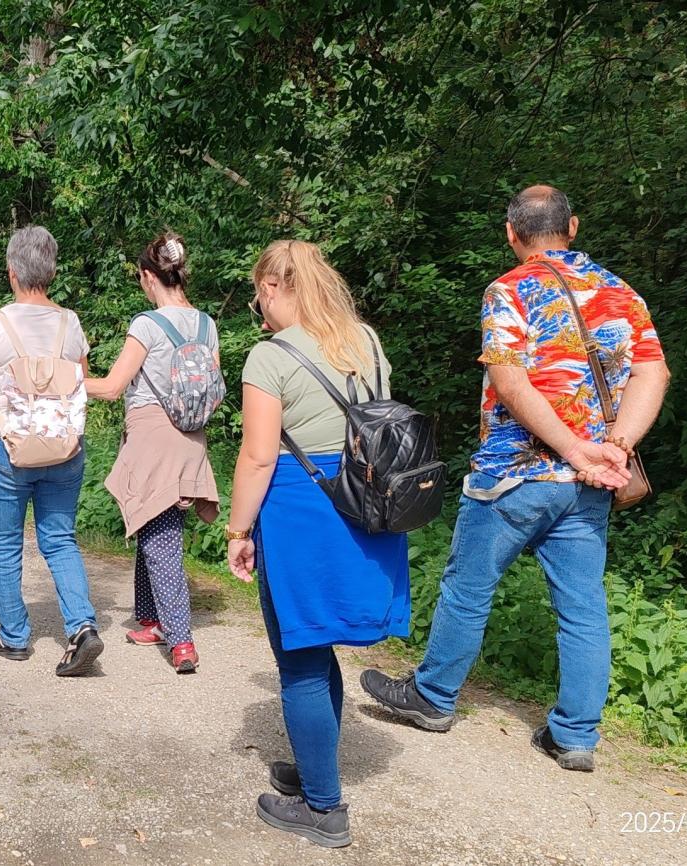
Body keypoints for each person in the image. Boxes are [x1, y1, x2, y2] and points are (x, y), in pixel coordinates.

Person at [361, 185, 669, 773]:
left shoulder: (509, 291)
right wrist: (615, 448)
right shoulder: (621, 292)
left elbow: (509, 382)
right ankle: (575, 736)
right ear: (572, 227)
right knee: (583, 607)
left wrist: (575, 449)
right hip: (589, 485)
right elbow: (653, 372)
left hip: (514, 475)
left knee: (468, 588)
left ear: (511, 233)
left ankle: (433, 697)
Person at [223, 239, 409, 848]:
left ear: (273, 288)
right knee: (319, 647)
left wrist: (238, 530)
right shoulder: (365, 341)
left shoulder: (269, 357)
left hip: (303, 509)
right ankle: (314, 768)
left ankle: (324, 808)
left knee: (300, 656)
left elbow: (257, 457)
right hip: (364, 501)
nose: (260, 310)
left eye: (259, 298)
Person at [0, 225, 103, 677]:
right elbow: (82, 382)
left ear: (12, 271)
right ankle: (82, 626)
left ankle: (15, 637)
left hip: (7, 448)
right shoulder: (70, 323)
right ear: (52, 272)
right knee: (59, 539)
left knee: (3, 545)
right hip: (64, 448)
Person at [84, 232, 221, 674]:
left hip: (153, 438)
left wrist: (58, 382)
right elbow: (213, 390)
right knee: (152, 523)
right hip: (192, 437)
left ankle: (181, 641)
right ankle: (151, 619)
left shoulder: (147, 324)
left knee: (161, 541)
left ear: (148, 276)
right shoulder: (207, 325)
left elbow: (111, 387)